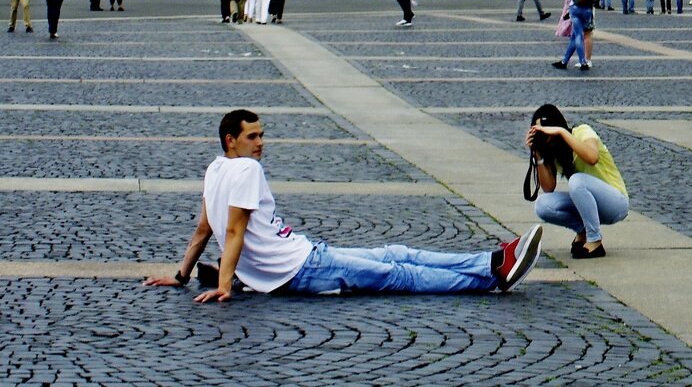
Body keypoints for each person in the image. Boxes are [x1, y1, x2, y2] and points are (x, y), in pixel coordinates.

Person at [144, 109, 542, 301]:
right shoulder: (246, 170)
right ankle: (494, 278)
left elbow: (202, 229)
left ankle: (491, 261)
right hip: (300, 269)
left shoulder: (214, 170)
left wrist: (181, 276)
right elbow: (231, 230)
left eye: (262, 135)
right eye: (252, 137)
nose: (260, 143)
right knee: (397, 274)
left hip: (305, 255)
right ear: (231, 140)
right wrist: (226, 285)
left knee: (395, 253)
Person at [525, 104, 627, 259]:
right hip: (588, 202)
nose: (544, 135)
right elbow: (548, 188)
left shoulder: (583, 131)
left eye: (545, 129)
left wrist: (561, 132)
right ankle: (583, 231)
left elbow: (592, 157)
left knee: (576, 180)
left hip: (615, 203)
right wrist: (537, 153)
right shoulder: (553, 151)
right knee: (543, 205)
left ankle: (595, 240)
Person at [553, 0, 597, 71]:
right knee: (578, 35)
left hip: (575, 8)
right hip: (588, 8)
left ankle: (583, 62)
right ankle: (564, 61)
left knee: (578, 35)